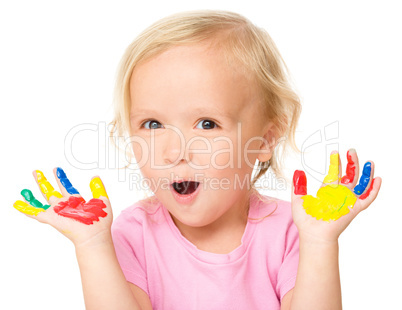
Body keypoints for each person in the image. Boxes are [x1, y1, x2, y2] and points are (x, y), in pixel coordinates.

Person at [13, 9, 381, 310]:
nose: (175, 151)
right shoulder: (132, 234)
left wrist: (319, 243)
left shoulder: (291, 232)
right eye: (152, 124)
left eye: (207, 124)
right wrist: (92, 245)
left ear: (264, 140)